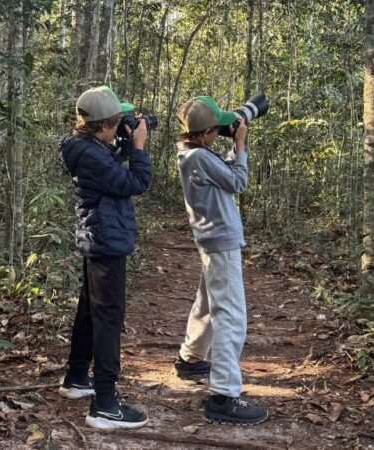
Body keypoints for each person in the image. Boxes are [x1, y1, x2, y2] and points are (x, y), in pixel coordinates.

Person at [57, 86, 152, 430]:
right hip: (106, 241)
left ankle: (76, 378)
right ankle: (105, 405)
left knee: (90, 311)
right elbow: (135, 181)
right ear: (104, 125)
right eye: (116, 123)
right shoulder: (92, 155)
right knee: (109, 318)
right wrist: (138, 146)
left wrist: (126, 141)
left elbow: (110, 164)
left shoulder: (86, 147)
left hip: (98, 237)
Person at [172, 96, 268, 425]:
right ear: (205, 133)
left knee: (207, 304)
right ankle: (223, 396)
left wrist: (232, 146)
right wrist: (240, 145)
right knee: (230, 316)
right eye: (217, 129)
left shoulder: (191, 153)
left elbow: (223, 175)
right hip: (221, 240)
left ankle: (190, 358)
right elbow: (238, 181)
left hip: (210, 240)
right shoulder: (200, 156)